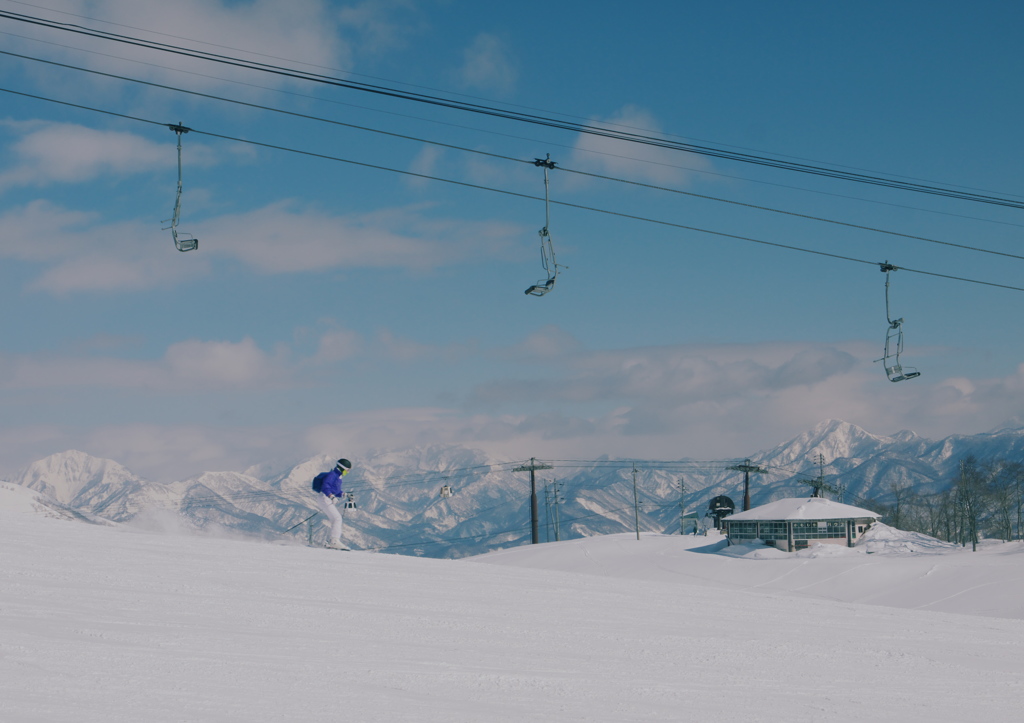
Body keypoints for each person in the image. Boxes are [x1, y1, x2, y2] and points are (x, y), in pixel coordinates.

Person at [312, 458, 352, 550]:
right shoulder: (332, 475)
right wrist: (331, 496)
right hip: (325, 498)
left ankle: (333, 541)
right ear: (342, 468)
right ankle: (334, 541)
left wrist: (343, 494)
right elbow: (325, 486)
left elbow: (335, 490)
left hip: (327, 498)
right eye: (347, 470)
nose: (348, 472)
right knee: (337, 518)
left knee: (335, 519)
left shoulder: (338, 476)